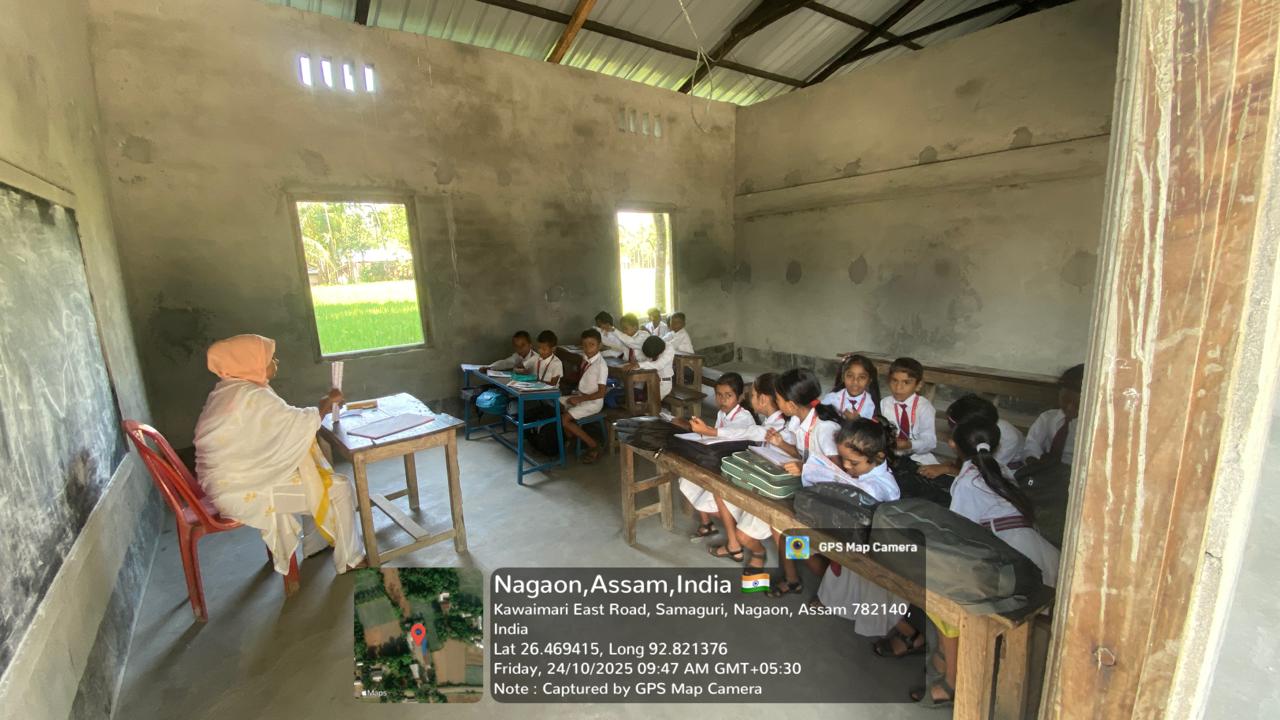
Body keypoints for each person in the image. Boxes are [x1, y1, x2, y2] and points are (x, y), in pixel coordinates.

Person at [914, 418, 1061, 707]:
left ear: (953, 445)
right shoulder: (999, 468)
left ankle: (956, 679)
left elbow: (961, 534)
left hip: (1012, 556)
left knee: (949, 599)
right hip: (1036, 549)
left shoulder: (967, 481)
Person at [193, 334, 363, 576]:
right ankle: (351, 559)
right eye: (270, 358)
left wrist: (320, 408)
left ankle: (315, 543)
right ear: (250, 364)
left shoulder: (228, 390)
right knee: (339, 487)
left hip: (231, 481)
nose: (276, 362)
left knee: (308, 470)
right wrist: (325, 404)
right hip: (243, 490)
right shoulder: (252, 396)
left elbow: (282, 425)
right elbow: (295, 424)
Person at [813, 418, 905, 637]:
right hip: (854, 538)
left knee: (867, 586)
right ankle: (834, 603)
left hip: (874, 548)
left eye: (853, 463)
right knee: (845, 576)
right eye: (843, 459)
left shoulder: (879, 486)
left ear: (878, 457)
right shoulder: (862, 473)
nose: (846, 466)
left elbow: (862, 500)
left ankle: (907, 632)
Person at [766, 368, 842, 596]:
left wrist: (804, 468)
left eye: (778, 399)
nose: (776, 403)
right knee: (778, 522)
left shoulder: (825, 428)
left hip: (830, 500)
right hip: (810, 491)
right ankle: (792, 579)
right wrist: (781, 444)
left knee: (801, 544)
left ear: (791, 404)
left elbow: (839, 473)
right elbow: (803, 454)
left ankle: (833, 593)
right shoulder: (800, 422)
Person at [715, 373, 788, 574]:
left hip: (776, 492)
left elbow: (748, 432)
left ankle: (764, 557)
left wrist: (710, 432)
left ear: (763, 399)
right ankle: (741, 547)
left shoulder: (780, 426)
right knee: (720, 491)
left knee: (747, 535)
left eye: (752, 395)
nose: (750, 399)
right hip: (764, 484)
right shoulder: (768, 422)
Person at [678, 373, 756, 550]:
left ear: (739, 397)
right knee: (687, 479)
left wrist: (706, 432)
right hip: (721, 460)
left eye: (728, 395)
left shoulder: (744, 418)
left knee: (710, 491)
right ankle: (707, 524)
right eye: (719, 395)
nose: (723, 399)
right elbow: (716, 439)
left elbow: (727, 437)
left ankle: (737, 530)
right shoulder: (722, 413)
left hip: (737, 468)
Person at [918, 394, 1023, 478]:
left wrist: (948, 469)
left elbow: (984, 475)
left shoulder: (1008, 438)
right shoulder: (976, 428)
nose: (951, 442)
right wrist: (953, 466)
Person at [1021, 363, 1084, 470]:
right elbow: (1032, 444)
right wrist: (1034, 461)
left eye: (1077, 404)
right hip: (1045, 469)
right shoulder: (1047, 418)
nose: (1069, 407)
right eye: (1065, 400)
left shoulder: (1091, 429)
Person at [560, 329, 610, 463]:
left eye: (592, 344)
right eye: (585, 345)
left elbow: (601, 393)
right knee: (556, 404)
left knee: (564, 420)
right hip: (581, 396)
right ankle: (575, 438)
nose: (588, 348)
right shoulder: (585, 358)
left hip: (593, 402)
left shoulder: (601, 366)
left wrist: (580, 399)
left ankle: (593, 445)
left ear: (599, 345)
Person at [880, 357, 938, 464]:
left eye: (906, 382)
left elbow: (930, 441)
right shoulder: (883, 404)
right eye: (894, 381)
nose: (898, 388)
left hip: (918, 457)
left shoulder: (924, 407)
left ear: (918, 385)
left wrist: (909, 444)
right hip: (890, 456)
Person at [823, 354, 879, 421]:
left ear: (869, 380)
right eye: (850, 376)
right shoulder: (831, 399)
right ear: (843, 377)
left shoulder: (871, 405)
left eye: (862, 377)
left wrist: (857, 421)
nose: (855, 382)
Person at [625, 335, 674, 399]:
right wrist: (635, 364)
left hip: (664, 382)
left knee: (652, 402)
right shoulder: (651, 346)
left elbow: (658, 365)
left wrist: (639, 365)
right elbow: (646, 361)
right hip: (650, 380)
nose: (652, 358)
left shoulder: (669, 349)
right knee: (635, 394)